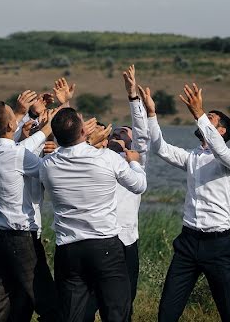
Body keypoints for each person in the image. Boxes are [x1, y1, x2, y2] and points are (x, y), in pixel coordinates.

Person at [141, 83, 230, 322]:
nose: (204, 119)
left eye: (211, 119)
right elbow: (161, 148)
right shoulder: (193, 157)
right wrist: (151, 114)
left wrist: (199, 114)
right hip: (187, 243)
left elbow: (219, 150)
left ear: (220, 131)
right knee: (167, 312)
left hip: (217, 245)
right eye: (204, 117)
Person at [40, 107, 147, 322]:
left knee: (73, 313)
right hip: (104, 245)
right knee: (116, 311)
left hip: (68, 248)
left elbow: (67, 151)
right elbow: (139, 185)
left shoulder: (47, 165)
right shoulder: (107, 158)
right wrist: (134, 161)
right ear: (83, 132)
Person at [0, 95, 61, 322]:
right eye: (12, 116)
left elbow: (21, 144)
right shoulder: (15, 154)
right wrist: (49, 129)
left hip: (0, 236)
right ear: (10, 125)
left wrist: (37, 127)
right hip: (21, 237)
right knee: (46, 300)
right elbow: (46, 172)